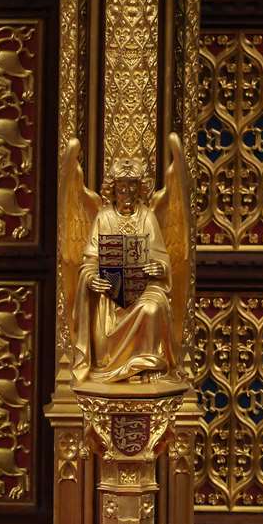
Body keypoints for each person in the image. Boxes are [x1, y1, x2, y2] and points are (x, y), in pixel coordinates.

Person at [73, 158, 175, 381]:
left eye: (132, 186)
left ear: (140, 189)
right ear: (113, 188)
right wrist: (91, 278)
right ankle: (109, 365)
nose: (126, 192)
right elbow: (89, 261)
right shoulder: (104, 217)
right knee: (103, 311)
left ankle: (146, 366)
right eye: (122, 186)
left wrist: (158, 267)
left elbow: (162, 258)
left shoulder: (147, 216)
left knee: (152, 307)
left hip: (144, 287)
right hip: (112, 291)